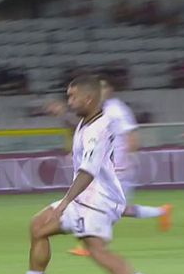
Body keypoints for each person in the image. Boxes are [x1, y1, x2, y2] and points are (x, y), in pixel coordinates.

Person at [2, 75, 164, 274]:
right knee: (38, 226)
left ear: (88, 99)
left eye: (72, 97)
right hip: (86, 197)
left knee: (97, 250)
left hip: (97, 198)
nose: (69, 101)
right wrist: (61, 114)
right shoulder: (88, 121)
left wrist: (65, 203)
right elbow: (75, 127)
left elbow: (88, 172)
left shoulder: (98, 131)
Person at [46, 76, 172, 256]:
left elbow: (131, 134)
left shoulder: (117, 109)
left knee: (99, 204)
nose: (101, 91)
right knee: (116, 208)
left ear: (109, 90)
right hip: (106, 166)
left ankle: (91, 244)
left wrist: (129, 159)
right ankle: (161, 212)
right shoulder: (99, 112)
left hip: (118, 166)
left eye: (103, 88)